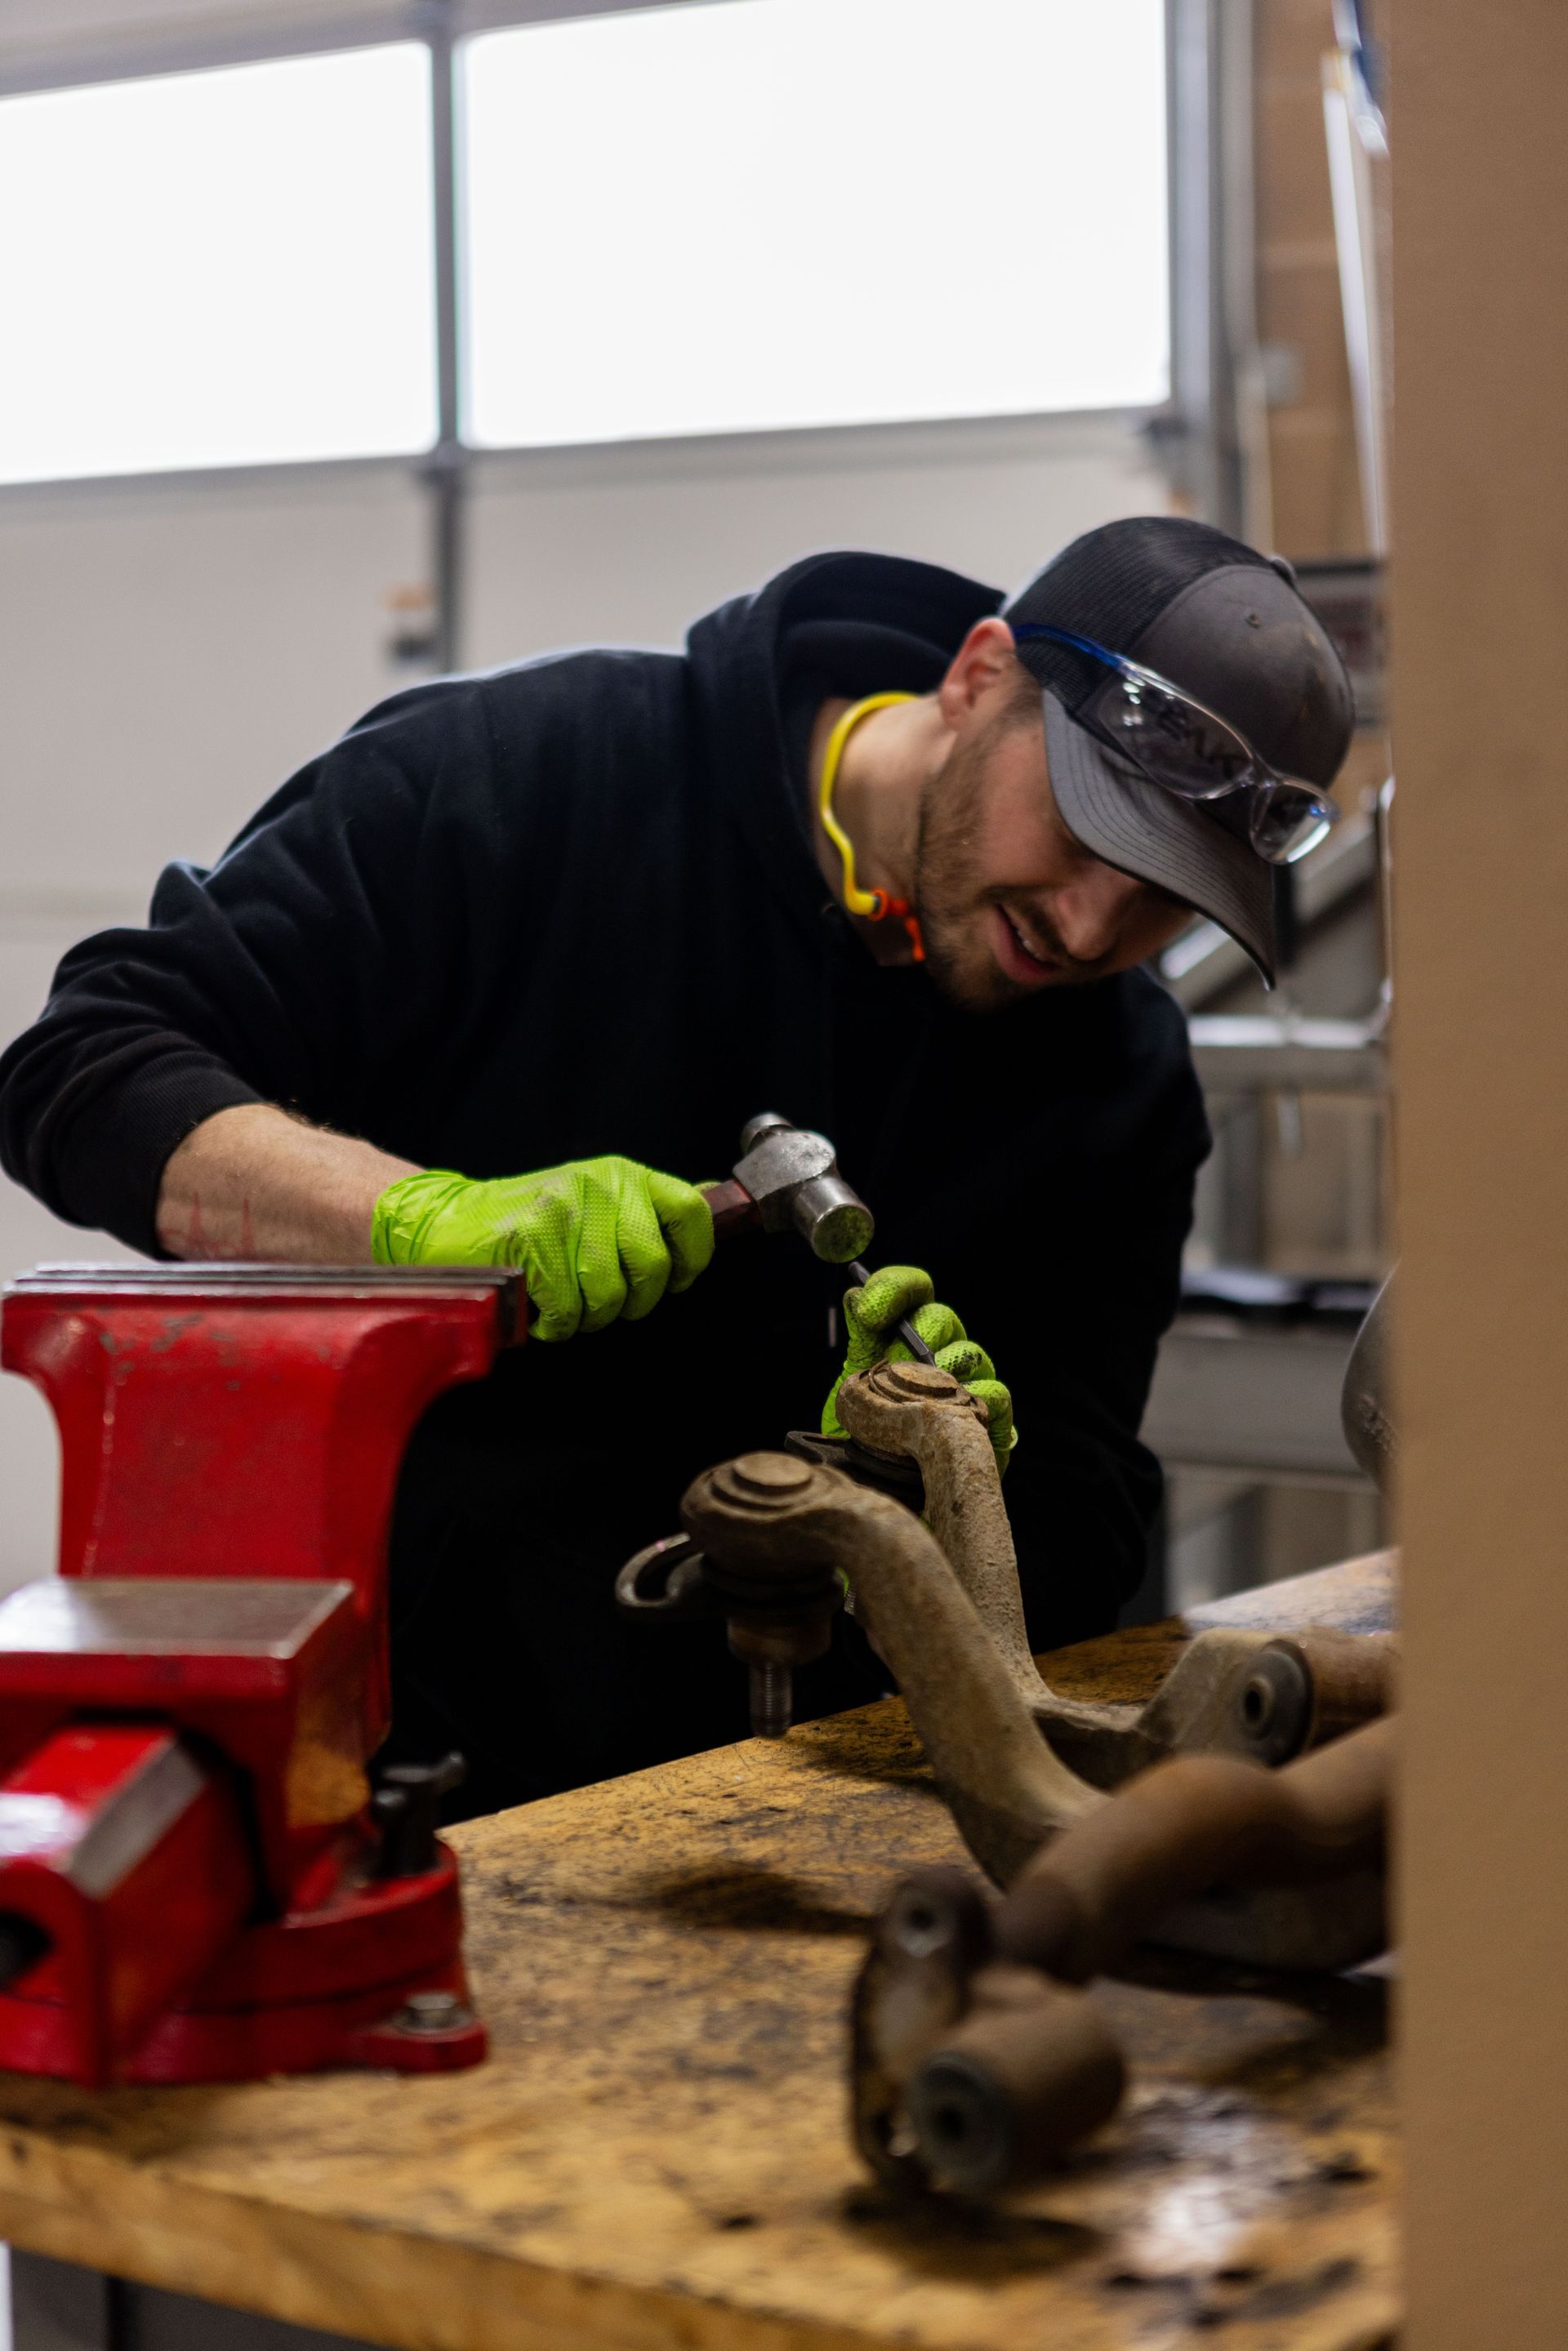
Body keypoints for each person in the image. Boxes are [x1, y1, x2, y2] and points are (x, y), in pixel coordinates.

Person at [0, 517, 1352, 1815]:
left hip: (796, 1812)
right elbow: (87, 1068)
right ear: (978, 674)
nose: (1085, 923)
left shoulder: (1118, 1073)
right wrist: (417, 1223)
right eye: (1083, 828)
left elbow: (1086, 1507)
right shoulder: (528, 776)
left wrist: (946, 1502)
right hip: (388, 1765)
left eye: (1164, 894)